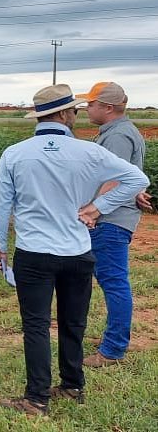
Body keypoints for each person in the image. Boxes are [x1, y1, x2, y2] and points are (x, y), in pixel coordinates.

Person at [0, 84, 149, 416]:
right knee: (73, 321)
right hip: (78, 250)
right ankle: (72, 385)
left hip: (34, 252)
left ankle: (36, 398)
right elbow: (137, 180)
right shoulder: (87, 152)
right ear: (65, 114)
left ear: (41, 116)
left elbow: (1, 207)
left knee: (36, 324)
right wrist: (97, 207)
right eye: (75, 110)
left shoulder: (15, 153)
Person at [75, 82, 148, 368]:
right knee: (112, 280)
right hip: (116, 217)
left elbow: (115, 179)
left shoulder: (117, 136)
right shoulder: (121, 132)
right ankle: (114, 340)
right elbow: (130, 176)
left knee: (114, 282)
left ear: (107, 107)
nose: (86, 108)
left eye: (91, 104)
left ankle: (113, 349)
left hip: (111, 220)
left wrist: (93, 210)